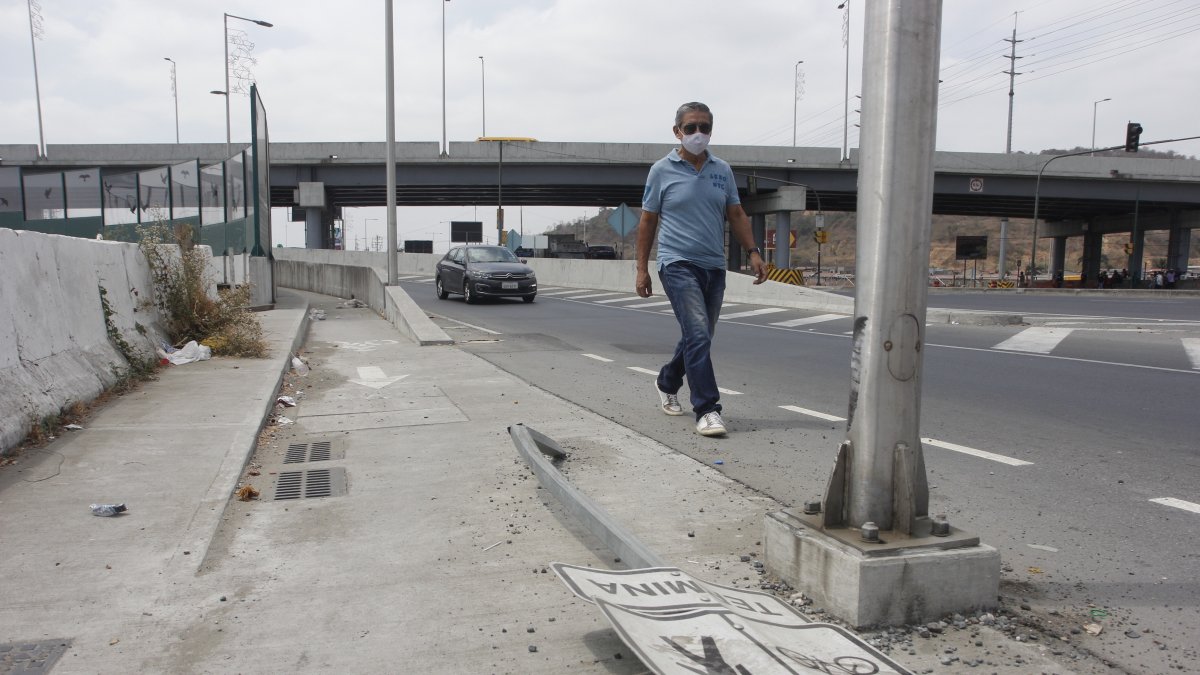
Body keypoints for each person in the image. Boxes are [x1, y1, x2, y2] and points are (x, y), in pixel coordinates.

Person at [635, 102, 768, 437]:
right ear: (677, 131)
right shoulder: (661, 170)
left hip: (713, 265)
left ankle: (667, 380)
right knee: (697, 333)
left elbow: (736, 214)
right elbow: (648, 221)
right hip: (676, 263)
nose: (698, 134)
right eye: (691, 127)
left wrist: (754, 252)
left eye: (704, 127)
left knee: (701, 336)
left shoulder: (722, 170)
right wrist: (642, 268)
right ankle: (708, 409)